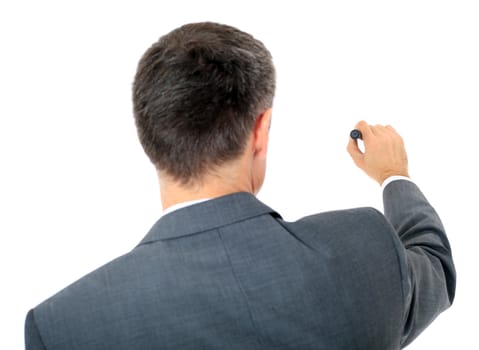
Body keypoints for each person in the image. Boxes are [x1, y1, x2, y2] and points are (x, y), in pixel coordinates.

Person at [24, 22, 456, 350]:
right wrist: (394, 174)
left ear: (147, 135)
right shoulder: (364, 253)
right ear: (261, 130)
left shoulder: (64, 326)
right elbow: (434, 262)